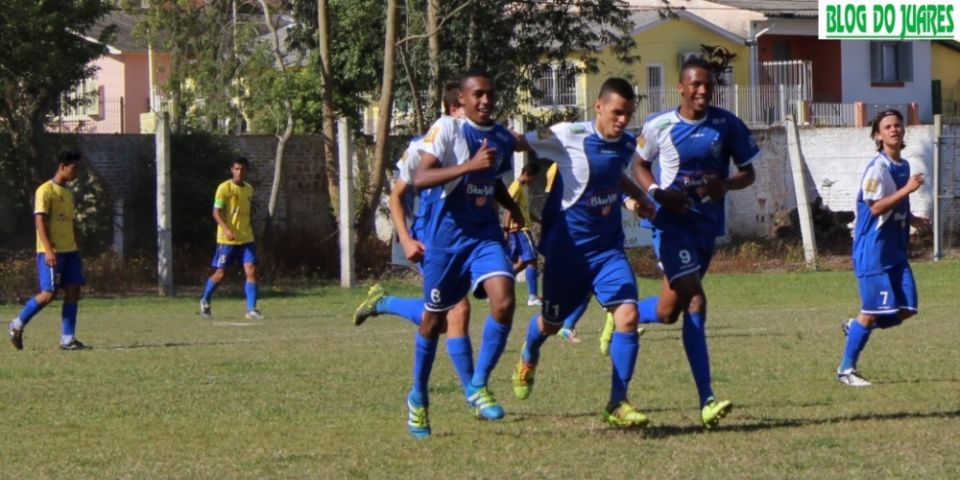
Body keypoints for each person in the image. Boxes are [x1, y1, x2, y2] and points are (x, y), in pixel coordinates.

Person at [510, 78, 657, 429]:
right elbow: (520, 141)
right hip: (568, 254)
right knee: (551, 323)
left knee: (627, 316)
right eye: (617, 113)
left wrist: (638, 198)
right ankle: (529, 354)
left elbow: (616, 176)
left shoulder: (623, 144)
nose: (622, 120)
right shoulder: (567, 134)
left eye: (628, 114)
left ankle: (617, 402)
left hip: (607, 251)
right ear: (599, 106)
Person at [632, 57, 760, 428]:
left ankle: (623, 314)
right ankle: (707, 400)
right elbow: (638, 165)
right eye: (696, 85)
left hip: (707, 227)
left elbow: (748, 173)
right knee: (696, 299)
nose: (703, 90)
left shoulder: (726, 124)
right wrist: (657, 193)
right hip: (671, 225)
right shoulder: (660, 125)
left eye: (709, 84)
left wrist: (726, 185)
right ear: (681, 88)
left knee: (669, 311)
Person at [403, 68, 524, 439]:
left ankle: (477, 385)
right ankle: (418, 398)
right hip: (445, 240)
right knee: (433, 322)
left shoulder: (500, 136)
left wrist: (511, 205)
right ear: (462, 100)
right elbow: (420, 179)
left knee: (504, 301)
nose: (485, 100)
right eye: (477, 95)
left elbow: (492, 177)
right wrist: (469, 165)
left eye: (490, 93)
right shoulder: (448, 129)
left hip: (484, 235)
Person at [352, 80, 476, 401]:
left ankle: (383, 302)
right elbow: (396, 197)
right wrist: (405, 239)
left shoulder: (476, 146)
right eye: (471, 103)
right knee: (457, 309)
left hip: (457, 240)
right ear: (453, 110)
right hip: (425, 238)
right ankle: (474, 394)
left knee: (443, 318)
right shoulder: (422, 146)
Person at [836, 109, 928, 387]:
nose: (894, 129)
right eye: (887, 126)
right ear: (878, 135)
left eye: (898, 125)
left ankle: (855, 328)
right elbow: (875, 206)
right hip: (872, 250)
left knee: (908, 308)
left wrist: (912, 218)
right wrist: (907, 191)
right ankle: (846, 370)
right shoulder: (877, 168)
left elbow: (895, 204)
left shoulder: (903, 166)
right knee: (872, 310)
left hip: (895, 251)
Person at [8, 150, 90, 351]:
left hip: (70, 251)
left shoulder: (68, 194)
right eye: (73, 168)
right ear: (63, 166)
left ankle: (67, 339)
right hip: (51, 251)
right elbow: (40, 221)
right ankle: (16, 325)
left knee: (73, 290)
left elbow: (68, 224)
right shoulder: (45, 190)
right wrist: (49, 250)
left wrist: (76, 245)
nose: (76, 173)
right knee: (48, 293)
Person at [199, 157, 262, 321]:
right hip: (227, 240)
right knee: (220, 273)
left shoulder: (248, 189)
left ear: (246, 171)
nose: (240, 172)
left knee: (251, 270)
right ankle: (205, 300)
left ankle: (251, 310)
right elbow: (216, 212)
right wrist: (226, 229)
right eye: (237, 169)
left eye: (242, 169)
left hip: (246, 237)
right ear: (232, 170)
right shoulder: (224, 188)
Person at [503, 163, 542, 307]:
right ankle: (532, 297)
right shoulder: (516, 186)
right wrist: (506, 230)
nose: (534, 181)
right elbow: (508, 208)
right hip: (519, 229)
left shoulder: (524, 188)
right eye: (534, 177)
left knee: (521, 262)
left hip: (521, 228)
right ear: (527, 173)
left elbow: (525, 210)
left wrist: (539, 220)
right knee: (531, 259)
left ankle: (498, 284)